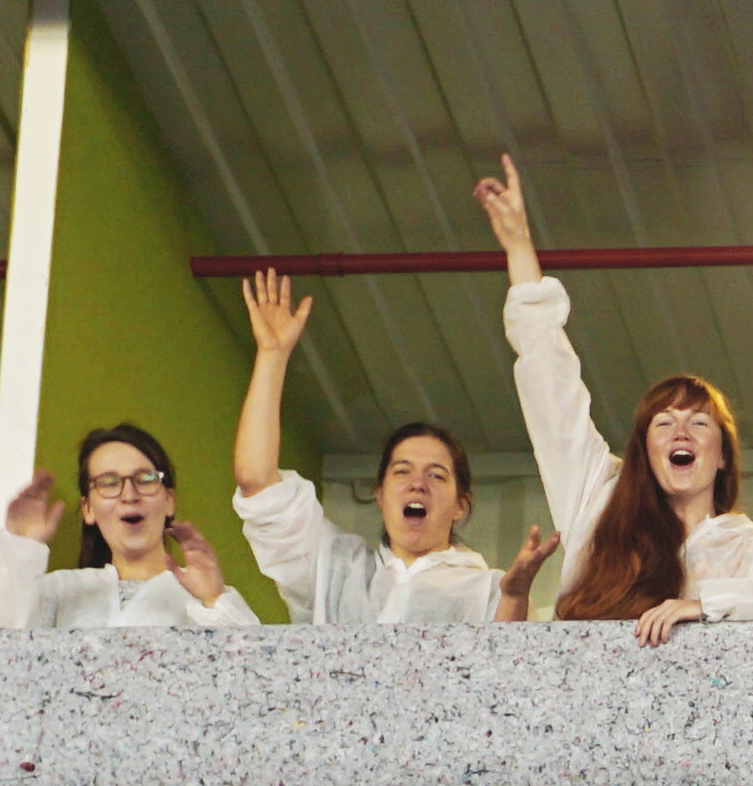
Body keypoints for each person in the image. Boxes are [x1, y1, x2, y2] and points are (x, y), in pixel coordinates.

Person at [483, 156, 753, 643]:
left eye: (700, 423)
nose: (681, 431)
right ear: (643, 449)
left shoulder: (748, 553)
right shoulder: (596, 499)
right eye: (663, 423)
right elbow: (547, 382)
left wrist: (706, 605)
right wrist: (519, 247)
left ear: (723, 456)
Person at [228, 268, 543, 628]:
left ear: (461, 505)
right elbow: (256, 481)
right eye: (401, 470)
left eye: (437, 475)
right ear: (379, 493)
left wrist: (515, 597)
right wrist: (272, 355)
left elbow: (510, 668)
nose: (417, 484)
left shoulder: (487, 590)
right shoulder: (333, 568)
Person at [0, 422, 257, 631]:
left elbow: (263, 680)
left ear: (169, 501)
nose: (129, 495)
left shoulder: (205, 599)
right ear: (88, 509)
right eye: (108, 482)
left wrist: (214, 600)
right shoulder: (58, 591)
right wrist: (19, 547)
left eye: (145, 479)